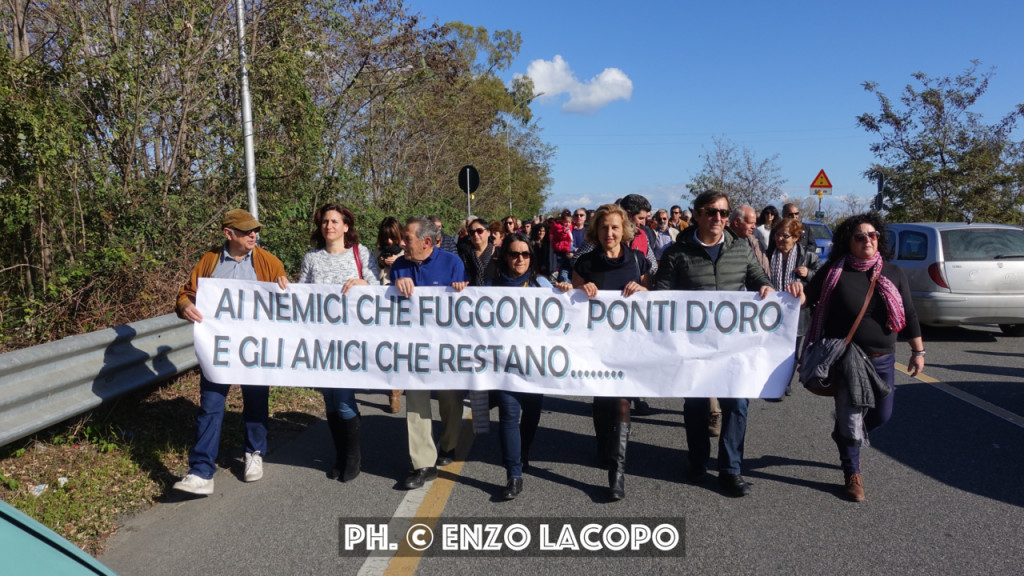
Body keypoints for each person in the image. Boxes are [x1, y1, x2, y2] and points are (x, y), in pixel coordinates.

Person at [655, 190, 799, 498]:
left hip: (734, 347)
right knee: (695, 407)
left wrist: (765, 288)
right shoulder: (676, 253)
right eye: (711, 212)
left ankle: (730, 470)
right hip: (692, 347)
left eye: (722, 212)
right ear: (696, 215)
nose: (718, 217)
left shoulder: (741, 248)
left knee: (737, 405)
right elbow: (661, 296)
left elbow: (761, 279)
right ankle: (696, 461)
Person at [804, 213, 923, 502]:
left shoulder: (893, 272)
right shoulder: (834, 271)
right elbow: (806, 297)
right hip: (848, 357)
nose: (867, 240)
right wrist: (795, 290)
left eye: (872, 235)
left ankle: (844, 433)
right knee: (852, 416)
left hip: (883, 357)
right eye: (859, 236)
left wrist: (918, 350)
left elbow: (908, 313)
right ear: (848, 242)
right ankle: (852, 474)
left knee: (882, 414)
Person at [172, 209, 289, 495]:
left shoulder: (268, 261)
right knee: (210, 405)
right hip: (219, 349)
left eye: (255, 231)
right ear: (228, 234)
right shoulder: (209, 261)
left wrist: (286, 289)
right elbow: (186, 293)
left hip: (255, 348)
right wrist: (185, 305)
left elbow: (285, 300)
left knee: (256, 400)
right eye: (247, 231)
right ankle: (201, 471)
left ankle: (254, 454)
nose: (253, 235)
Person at [572, 204, 651, 501]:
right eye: (604, 227)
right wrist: (580, 290)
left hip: (628, 347)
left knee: (621, 402)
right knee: (601, 400)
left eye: (615, 227)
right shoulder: (586, 262)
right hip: (595, 347)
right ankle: (602, 446)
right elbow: (571, 302)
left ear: (625, 230)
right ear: (596, 230)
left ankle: (616, 475)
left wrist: (643, 292)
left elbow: (655, 300)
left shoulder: (638, 261)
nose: (610, 233)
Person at [487, 233, 573, 499]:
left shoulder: (542, 285)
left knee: (532, 413)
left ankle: (523, 453)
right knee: (508, 415)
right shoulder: (489, 288)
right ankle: (514, 474)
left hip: (535, 365)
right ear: (505, 257)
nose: (520, 259)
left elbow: (563, 317)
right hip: (504, 365)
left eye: (525, 254)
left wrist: (566, 292)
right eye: (514, 253)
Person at [298, 203, 379, 481]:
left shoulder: (360, 253)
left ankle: (354, 459)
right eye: (324, 222)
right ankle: (339, 455)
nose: (328, 226)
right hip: (321, 340)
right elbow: (301, 295)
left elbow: (376, 287)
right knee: (330, 400)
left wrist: (361, 283)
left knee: (343, 399)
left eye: (334, 221)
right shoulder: (312, 257)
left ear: (346, 226)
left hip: (350, 339)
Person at [391, 216, 469, 489]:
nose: (401, 243)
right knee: (417, 404)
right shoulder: (400, 266)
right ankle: (423, 464)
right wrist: (394, 287)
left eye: (407, 239)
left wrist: (461, 290)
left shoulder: (452, 263)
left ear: (426, 242)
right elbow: (387, 307)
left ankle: (448, 445)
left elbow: (464, 310)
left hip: (446, 349)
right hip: (414, 350)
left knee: (450, 401)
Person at [767, 217, 819, 399]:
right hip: (771, 310)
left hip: (797, 312)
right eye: (778, 234)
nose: (780, 239)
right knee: (772, 348)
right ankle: (770, 382)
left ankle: (784, 384)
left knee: (791, 351)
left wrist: (809, 273)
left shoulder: (808, 256)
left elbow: (820, 280)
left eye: (785, 236)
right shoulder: (769, 254)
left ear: (796, 237)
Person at [375, 217, 406, 413]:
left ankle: (396, 391)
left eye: (392, 238)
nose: (389, 243)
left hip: (402, 305)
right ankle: (392, 387)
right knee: (387, 349)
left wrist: (398, 263)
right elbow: (370, 277)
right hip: (382, 305)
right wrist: (380, 263)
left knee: (399, 349)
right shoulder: (376, 252)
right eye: (386, 238)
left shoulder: (407, 251)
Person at [458, 218, 498, 287]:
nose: (475, 234)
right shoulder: (464, 255)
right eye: (472, 232)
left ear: (488, 232)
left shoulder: (499, 254)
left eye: (479, 231)